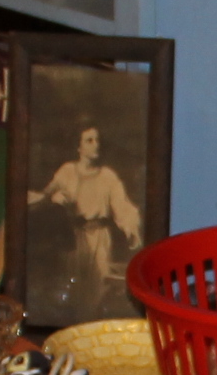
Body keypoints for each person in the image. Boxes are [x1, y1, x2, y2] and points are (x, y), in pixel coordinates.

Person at [29, 123, 142, 319]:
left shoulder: (108, 176)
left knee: (97, 292)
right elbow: (45, 196)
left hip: (99, 240)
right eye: (89, 140)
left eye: (97, 140)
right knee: (73, 292)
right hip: (71, 239)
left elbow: (122, 206)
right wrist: (55, 199)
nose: (95, 144)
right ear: (79, 147)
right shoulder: (67, 171)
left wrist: (131, 229)